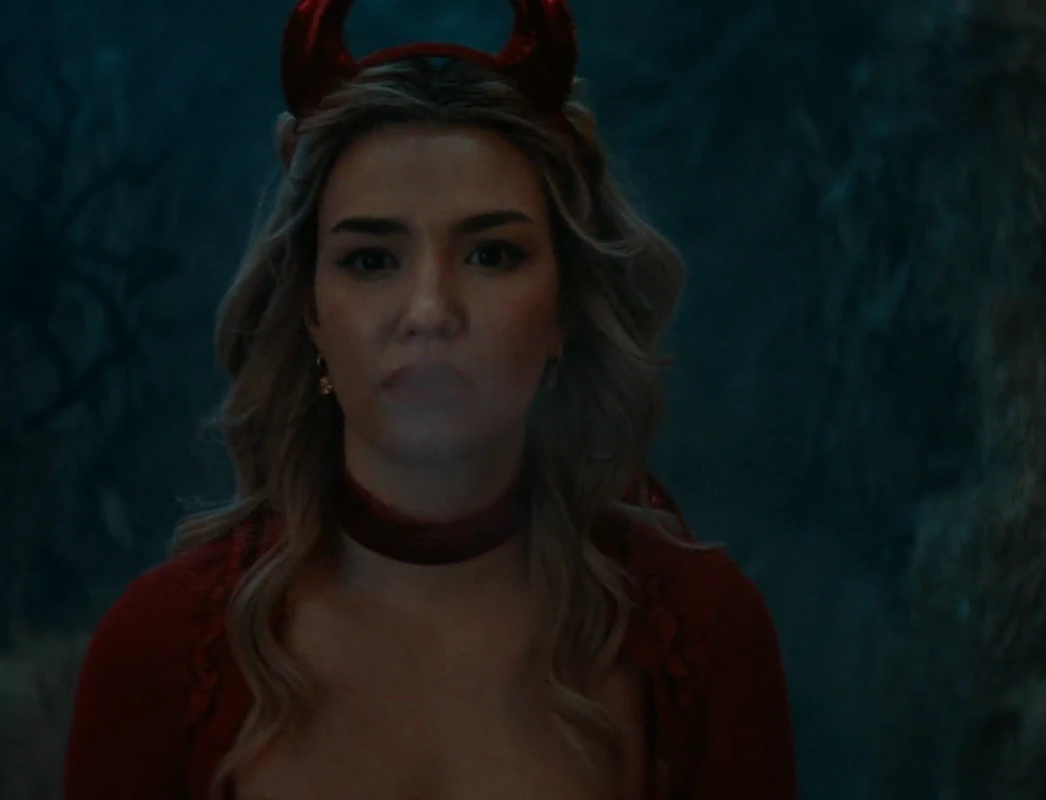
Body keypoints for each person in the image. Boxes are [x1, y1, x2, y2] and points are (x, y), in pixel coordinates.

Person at [61, 1, 796, 798]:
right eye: (372, 260)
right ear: (311, 310)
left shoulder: (702, 629)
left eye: (491, 254)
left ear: (566, 308)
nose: (430, 311)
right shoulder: (163, 648)